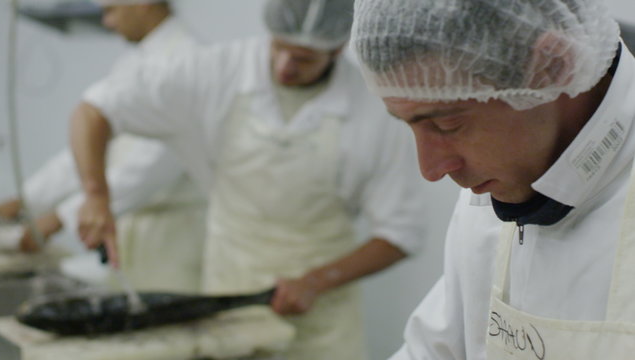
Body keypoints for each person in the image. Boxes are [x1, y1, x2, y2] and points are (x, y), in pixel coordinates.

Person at [69, 0, 427, 358]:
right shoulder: (217, 70)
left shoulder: (373, 110)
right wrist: (96, 194)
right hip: (229, 299)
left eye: (303, 58)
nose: (286, 66)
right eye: (279, 48)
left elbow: (400, 234)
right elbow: (94, 110)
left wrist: (316, 282)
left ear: (336, 48)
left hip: (323, 322)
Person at [351, 0, 635, 358]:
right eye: (410, 125)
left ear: (552, 66)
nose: (432, 168)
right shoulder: (497, 183)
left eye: (447, 125)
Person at [0, 0, 207, 293]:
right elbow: (88, 152)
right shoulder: (134, 62)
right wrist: (27, 200)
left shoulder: (189, 61)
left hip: (170, 237)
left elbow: (151, 167)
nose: (106, 22)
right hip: (130, 229)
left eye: (111, 10)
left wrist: (61, 217)